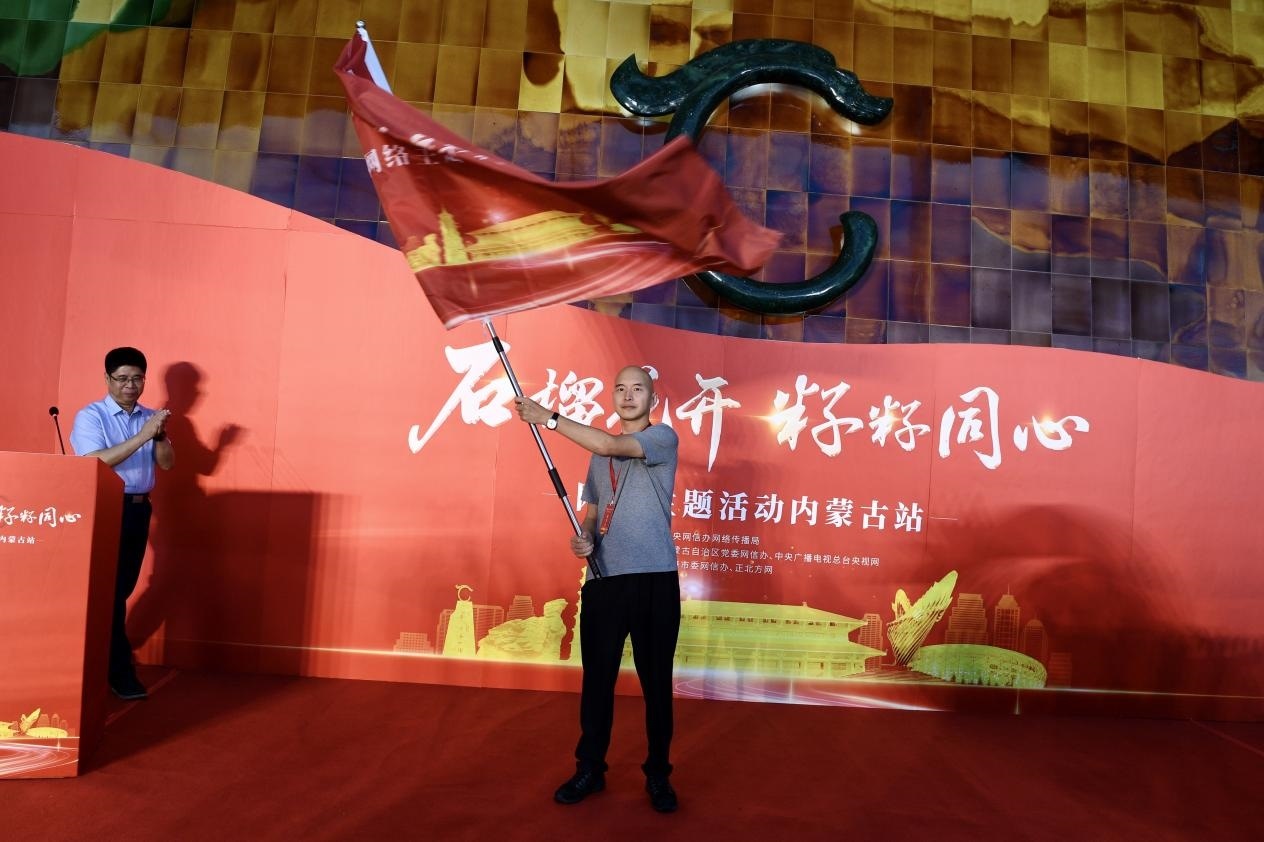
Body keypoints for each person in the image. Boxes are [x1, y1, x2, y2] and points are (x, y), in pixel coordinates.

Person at [513, 365, 682, 814]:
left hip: (654, 579)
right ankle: (590, 768)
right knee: (597, 683)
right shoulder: (597, 456)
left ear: (652, 399)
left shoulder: (662, 438)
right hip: (604, 579)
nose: (628, 396)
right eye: (620, 389)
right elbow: (592, 512)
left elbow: (609, 443)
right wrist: (584, 538)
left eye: (638, 389)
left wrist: (547, 418)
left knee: (656, 684)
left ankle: (658, 773)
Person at [70, 347, 174, 701]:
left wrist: (159, 435)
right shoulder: (91, 416)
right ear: (107, 378)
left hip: (139, 510)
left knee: (121, 591)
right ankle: (118, 671)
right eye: (122, 378)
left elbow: (168, 463)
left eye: (137, 379)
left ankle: (102, 662)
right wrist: (143, 435)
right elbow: (95, 462)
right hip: (106, 507)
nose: (130, 386)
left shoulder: (150, 416)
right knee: (110, 594)